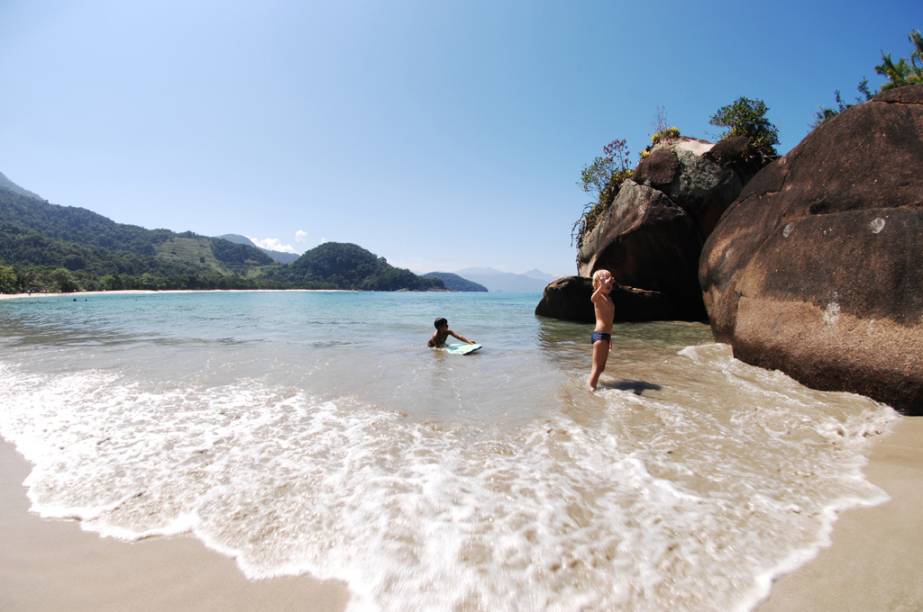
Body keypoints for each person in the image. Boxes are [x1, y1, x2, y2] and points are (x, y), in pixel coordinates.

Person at [588, 269, 615, 391]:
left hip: (606, 336)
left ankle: (592, 385)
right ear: (596, 284)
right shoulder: (598, 297)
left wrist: (610, 338)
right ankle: (591, 388)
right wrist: (601, 288)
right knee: (597, 367)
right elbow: (592, 298)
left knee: (602, 367)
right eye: (604, 280)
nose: (608, 283)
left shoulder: (608, 298)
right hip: (599, 335)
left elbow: (609, 321)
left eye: (610, 280)